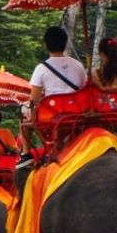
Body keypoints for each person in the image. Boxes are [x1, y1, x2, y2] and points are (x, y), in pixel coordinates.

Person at [21, 25, 88, 154]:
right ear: (65, 43)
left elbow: (33, 101)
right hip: (77, 114)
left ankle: (26, 154)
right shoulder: (78, 65)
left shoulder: (41, 68)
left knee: (23, 112)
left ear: (46, 44)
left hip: (52, 116)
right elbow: (84, 89)